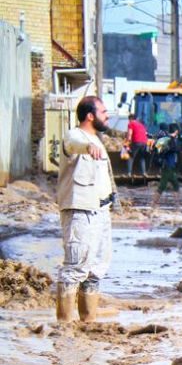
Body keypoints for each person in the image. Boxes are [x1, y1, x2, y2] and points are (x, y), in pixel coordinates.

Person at [55, 95, 116, 322]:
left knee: (96, 269)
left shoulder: (97, 139)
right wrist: (87, 147)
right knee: (75, 267)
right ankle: (64, 326)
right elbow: (73, 145)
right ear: (90, 116)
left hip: (100, 212)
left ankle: (88, 323)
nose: (107, 115)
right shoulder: (76, 136)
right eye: (103, 112)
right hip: (80, 211)